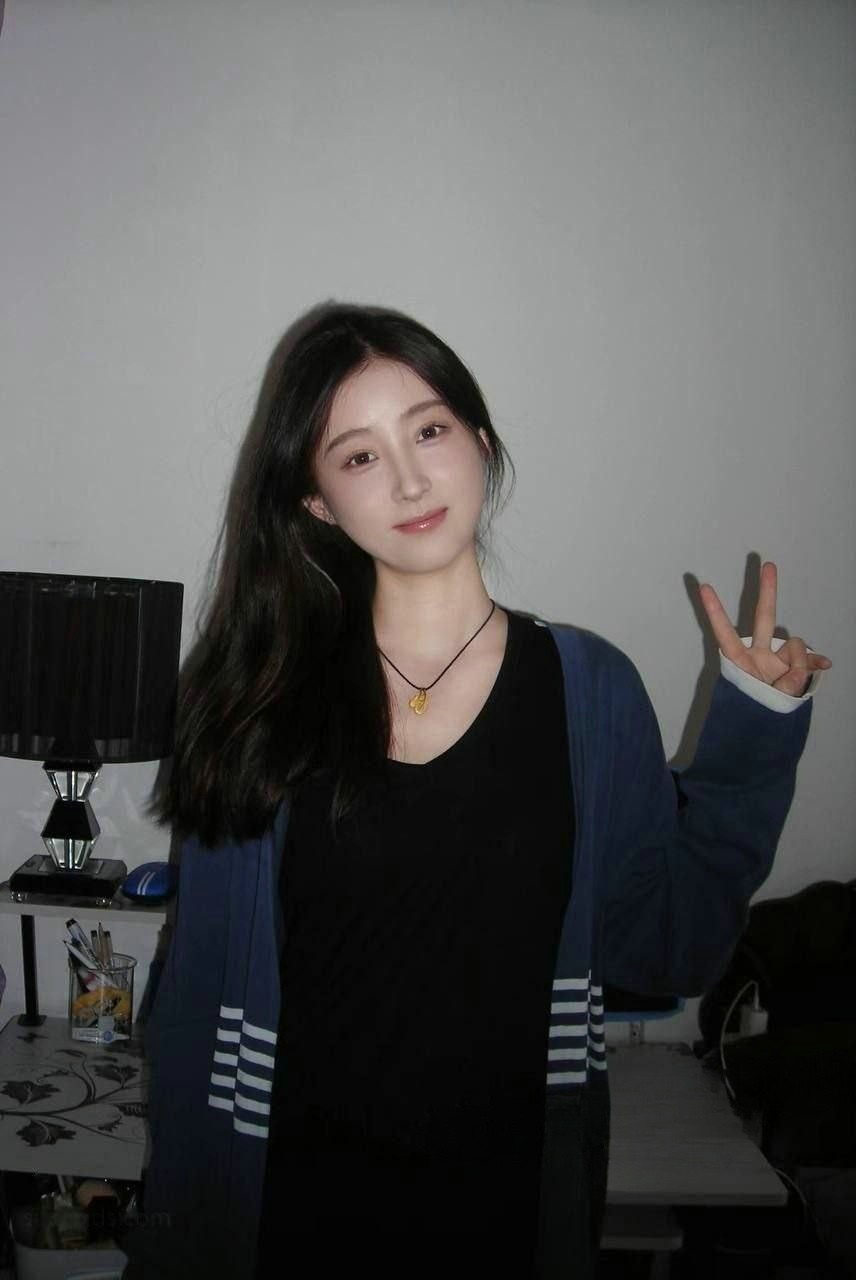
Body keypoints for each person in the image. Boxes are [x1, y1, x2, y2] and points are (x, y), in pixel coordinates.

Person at [121, 303, 830, 1280]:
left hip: (506, 1216)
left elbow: (665, 949)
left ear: (481, 443)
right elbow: (196, 1003)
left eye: (428, 430)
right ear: (317, 501)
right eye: (359, 455)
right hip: (292, 1216)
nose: (409, 479)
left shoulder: (588, 691)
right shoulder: (256, 699)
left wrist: (753, 734)